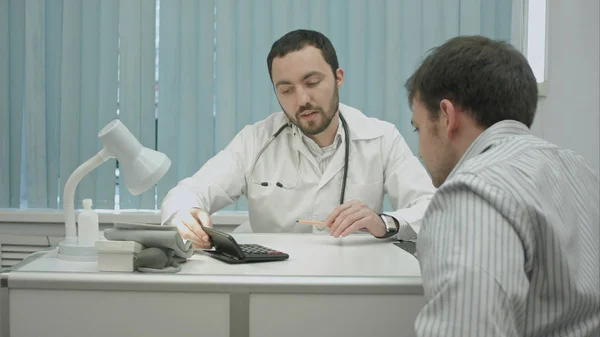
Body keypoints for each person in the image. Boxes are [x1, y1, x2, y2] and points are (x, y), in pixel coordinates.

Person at [160, 29, 436, 248]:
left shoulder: (381, 138)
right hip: (271, 286)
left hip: (349, 284)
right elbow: (188, 192)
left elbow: (431, 209)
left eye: (312, 82)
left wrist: (384, 223)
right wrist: (184, 215)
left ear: (338, 78)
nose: (302, 100)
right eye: (286, 90)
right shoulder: (256, 141)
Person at [406, 35, 599, 336]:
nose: (419, 150)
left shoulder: (471, 194)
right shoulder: (580, 170)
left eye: (418, 128)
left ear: (446, 116)